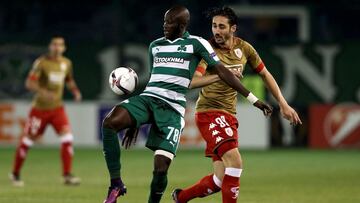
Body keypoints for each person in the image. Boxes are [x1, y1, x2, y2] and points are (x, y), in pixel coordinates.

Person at [101, 5, 272, 203]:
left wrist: (253, 99)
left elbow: (222, 71)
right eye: (165, 21)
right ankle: (116, 184)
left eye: (170, 22)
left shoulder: (197, 44)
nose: (165, 25)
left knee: (160, 167)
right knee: (110, 122)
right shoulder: (155, 45)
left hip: (173, 109)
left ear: (182, 25)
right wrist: (134, 121)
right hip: (148, 99)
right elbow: (155, 79)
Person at [172, 6, 302, 203]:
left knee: (219, 179)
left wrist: (283, 104)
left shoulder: (245, 49)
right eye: (214, 26)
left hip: (229, 115)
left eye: (222, 26)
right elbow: (193, 82)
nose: (216, 31)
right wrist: (222, 75)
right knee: (235, 161)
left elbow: (265, 74)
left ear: (233, 29)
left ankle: (181, 197)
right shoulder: (208, 51)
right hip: (209, 113)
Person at [10, 36, 82, 187]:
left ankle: (67, 175)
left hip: (57, 109)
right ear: (50, 46)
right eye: (54, 44)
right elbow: (29, 83)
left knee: (67, 137)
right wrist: (43, 92)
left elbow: (68, 79)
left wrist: (75, 91)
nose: (57, 47)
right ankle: (15, 173)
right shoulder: (41, 63)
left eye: (60, 45)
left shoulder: (66, 63)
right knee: (28, 140)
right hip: (40, 110)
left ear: (64, 48)